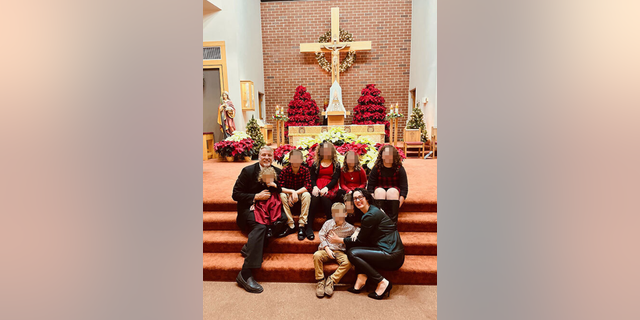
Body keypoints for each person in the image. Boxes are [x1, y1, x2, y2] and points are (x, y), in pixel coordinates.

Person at [328, 188, 405, 300]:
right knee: (355, 246)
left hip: (391, 255)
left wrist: (339, 240)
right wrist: (358, 231)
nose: (357, 200)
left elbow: (360, 240)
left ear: (367, 198)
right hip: (388, 250)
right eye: (355, 198)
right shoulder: (372, 211)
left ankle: (382, 282)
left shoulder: (371, 215)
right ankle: (361, 278)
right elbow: (366, 233)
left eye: (360, 197)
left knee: (353, 253)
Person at [231, 146, 285, 293]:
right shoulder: (248, 171)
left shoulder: (278, 172)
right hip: (249, 210)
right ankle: (245, 273)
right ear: (259, 156)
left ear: (273, 157)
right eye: (263, 155)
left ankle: (249, 247)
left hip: (269, 210)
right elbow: (235, 194)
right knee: (261, 227)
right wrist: (255, 197)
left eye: (269, 155)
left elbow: (282, 189)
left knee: (281, 222)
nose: (266, 157)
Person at [313, 203, 358, 298]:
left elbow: (358, 231)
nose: (336, 216)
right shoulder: (328, 223)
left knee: (348, 262)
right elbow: (321, 235)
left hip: (339, 251)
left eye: (339, 213)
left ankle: (331, 281)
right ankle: (321, 281)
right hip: (327, 249)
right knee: (317, 255)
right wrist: (327, 249)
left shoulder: (350, 228)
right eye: (334, 213)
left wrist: (356, 233)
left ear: (345, 214)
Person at [366, 144, 408, 223]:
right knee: (379, 191)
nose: (388, 157)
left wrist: (397, 205)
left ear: (394, 156)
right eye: (386, 154)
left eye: (390, 155)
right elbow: (370, 187)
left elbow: (404, 188)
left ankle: (392, 225)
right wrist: (373, 204)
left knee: (392, 191)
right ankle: (379, 223)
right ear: (382, 156)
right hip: (379, 193)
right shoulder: (376, 168)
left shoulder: (399, 169)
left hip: (394, 194)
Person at [309, 142, 342, 239]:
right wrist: (314, 187)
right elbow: (312, 178)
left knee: (324, 198)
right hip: (317, 186)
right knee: (314, 198)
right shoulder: (316, 164)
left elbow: (335, 179)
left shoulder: (336, 164)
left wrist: (326, 188)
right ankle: (309, 227)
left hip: (330, 187)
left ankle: (330, 226)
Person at [278, 149, 313, 241]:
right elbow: (280, 187)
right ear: (289, 160)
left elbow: (308, 186)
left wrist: (295, 193)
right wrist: (291, 192)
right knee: (281, 195)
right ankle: (291, 224)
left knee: (307, 195)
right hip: (288, 194)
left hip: (300, 194)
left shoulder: (305, 170)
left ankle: (302, 225)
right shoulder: (285, 170)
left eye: (298, 159)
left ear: (302, 160)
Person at [252, 166, 283, 239]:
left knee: (274, 209)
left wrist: (275, 185)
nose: (269, 180)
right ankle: (268, 227)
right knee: (262, 211)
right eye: (266, 178)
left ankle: (273, 224)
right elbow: (257, 194)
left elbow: (280, 190)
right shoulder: (261, 185)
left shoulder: (275, 183)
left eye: (270, 178)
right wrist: (253, 203)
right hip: (263, 201)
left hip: (273, 200)